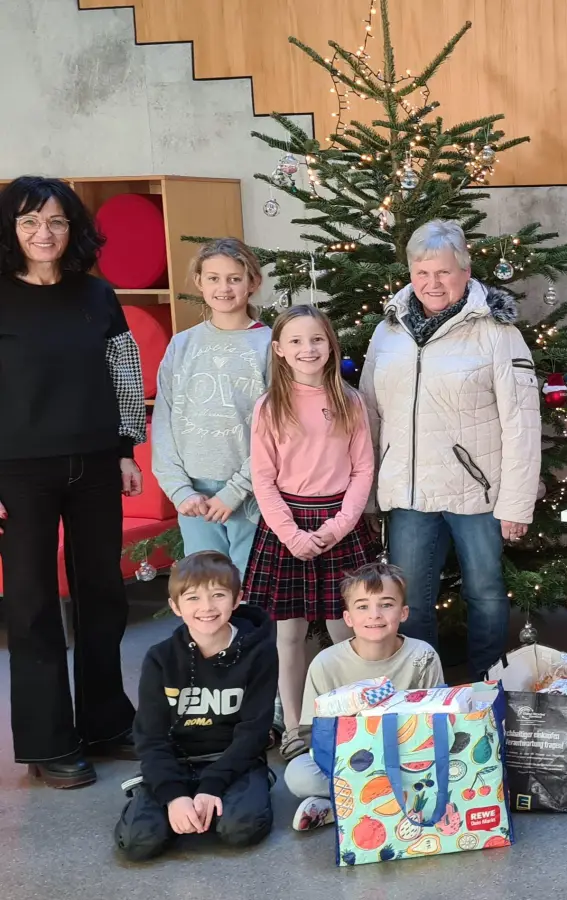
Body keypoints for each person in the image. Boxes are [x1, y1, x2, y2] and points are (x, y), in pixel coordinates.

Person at [0, 176, 146, 788]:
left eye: (57, 222)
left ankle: (108, 724)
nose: (44, 234)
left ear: (74, 230)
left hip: (93, 463)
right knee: (32, 603)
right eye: (31, 221)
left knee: (102, 596)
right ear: (11, 230)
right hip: (18, 471)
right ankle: (47, 741)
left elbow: (124, 369)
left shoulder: (97, 293)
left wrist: (125, 447)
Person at [361, 219, 542, 679]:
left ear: (464, 270)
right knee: (411, 601)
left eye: (443, 272)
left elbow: (522, 422)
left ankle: (486, 688)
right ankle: (424, 688)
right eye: (422, 273)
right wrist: (367, 493)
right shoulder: (389, 330)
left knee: (484, 591)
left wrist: (517, 503)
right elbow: (367, 413)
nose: (432, 284)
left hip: (476, 492)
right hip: (409, 493)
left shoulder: (497, 332)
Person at [243, 305, 379, 761]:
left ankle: (351, 718)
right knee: (289, 636)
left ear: (330, 345)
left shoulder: (350, 400)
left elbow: (362, 470)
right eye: (297, 341)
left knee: (347, 631)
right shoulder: (269, 406)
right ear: (279, 350)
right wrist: (291, 535)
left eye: (317, 340)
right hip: (286, 527)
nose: (308, 349)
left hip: (340, 525)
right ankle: (299, 724)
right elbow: (262, 478)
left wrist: (338, 527)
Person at [114, 551, 277, 861]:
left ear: (237, 598)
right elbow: (150, 735)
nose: (206, 608)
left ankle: (229, 797)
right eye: (192, 598)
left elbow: (254, 730)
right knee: (137, 842)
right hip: (176, 761)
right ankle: (176, 805)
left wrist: (213, 784)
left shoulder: (260, 652)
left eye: (218, 595)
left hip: (233, 759)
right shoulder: (160, 658)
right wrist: (173, 795)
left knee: (241, 829)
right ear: (176, 606)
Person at [285, 562, 444, 831]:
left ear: (403, 612)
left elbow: (438, 718)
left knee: (443, 765)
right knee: (298, 775)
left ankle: (340, 807)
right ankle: (393, 801)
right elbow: (312, 731)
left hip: (408, 756)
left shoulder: (422, 656)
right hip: (349, 760)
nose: (375, 615)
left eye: (386, 604)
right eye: (362, 606)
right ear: (348, 618)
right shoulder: (326, 663)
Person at [151, 238, 273, 577]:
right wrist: (179, 490)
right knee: (207, 589)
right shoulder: (183, 344)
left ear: (253, 283)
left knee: (251, 595)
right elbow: (164, 421)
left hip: (252, 493)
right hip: (194, 496)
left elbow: (278, 431)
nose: (224, 287)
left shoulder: (269, 344)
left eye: (234, 278)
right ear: (199, 282)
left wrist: (235, 492)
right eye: (214, 278)